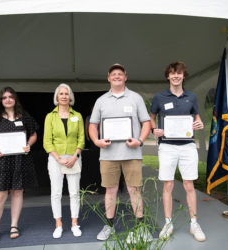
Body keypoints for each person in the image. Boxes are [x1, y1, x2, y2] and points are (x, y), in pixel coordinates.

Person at [89, 64, 151, 242]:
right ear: (108, 78)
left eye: (120, 74)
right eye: (113, 74)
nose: (117, 76)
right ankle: (109, 226)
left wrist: (139, 140)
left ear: (125, 77)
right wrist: (96, 141)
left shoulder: (136, 98)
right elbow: (93, 125)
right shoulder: (101, 100)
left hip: (132, 154)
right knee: (110, 191)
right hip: (108, 155)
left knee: (134, 191)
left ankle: (141, 227)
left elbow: (146, 123)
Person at [150, 61, 206, 242]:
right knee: (168, 185)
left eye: (179, 73)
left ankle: (194, 223)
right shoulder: (159, 97)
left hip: (188, 145)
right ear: (168, 76)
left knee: (189, 185)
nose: (176, 76)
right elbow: (151, 118)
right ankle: (168, 223)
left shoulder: (192, 96)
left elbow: (196, 118)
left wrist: (199, 123)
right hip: (167, 146)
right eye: (172, 73)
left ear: (184, 76)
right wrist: (154, 129)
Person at [0, 86, 38, 243]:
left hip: (19, 160)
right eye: (4, 97)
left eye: (10, 97)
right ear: (1, 100)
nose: (7, 99)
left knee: (17, 193)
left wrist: (29, 144)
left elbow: (33, 135)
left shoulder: (24, 116)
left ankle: (14, 225)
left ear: (15, 99)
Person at [43, 83, 85, 239]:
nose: (64, 96)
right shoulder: (50, 116)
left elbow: (81, 139)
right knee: (56, 193)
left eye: (66, 94)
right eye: (61, 94)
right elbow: (47, 141)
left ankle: (74, 224)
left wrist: (75, 156)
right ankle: (58, 225)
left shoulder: (77, 115)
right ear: (56, 97)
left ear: (70, 97)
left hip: (74, 158)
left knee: (74, 193)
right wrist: (58, 158)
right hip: (56, 159)